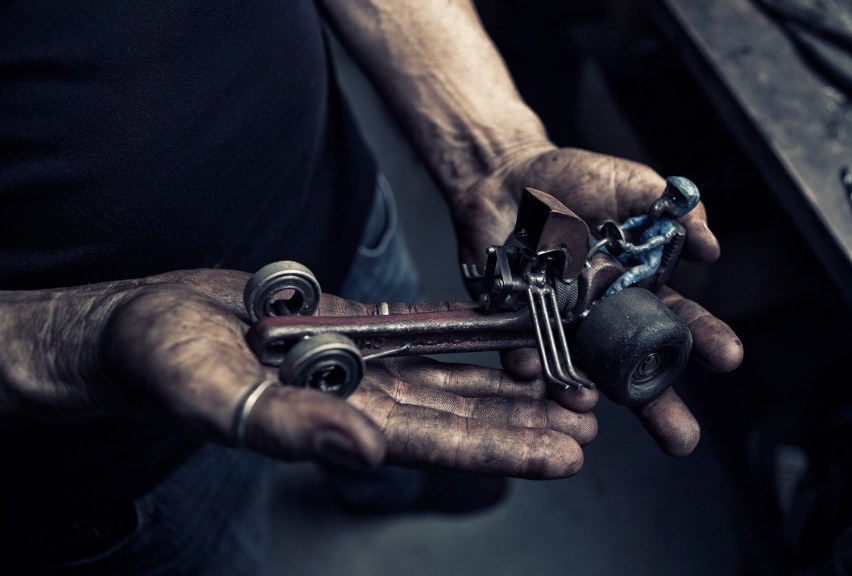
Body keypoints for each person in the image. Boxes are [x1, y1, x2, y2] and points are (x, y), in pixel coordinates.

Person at [0, 1, 743, 573]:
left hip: (332, 215)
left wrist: (494, 149)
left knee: (385, 442)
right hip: (96, 444)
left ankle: (385, 486)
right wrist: (73, 337)